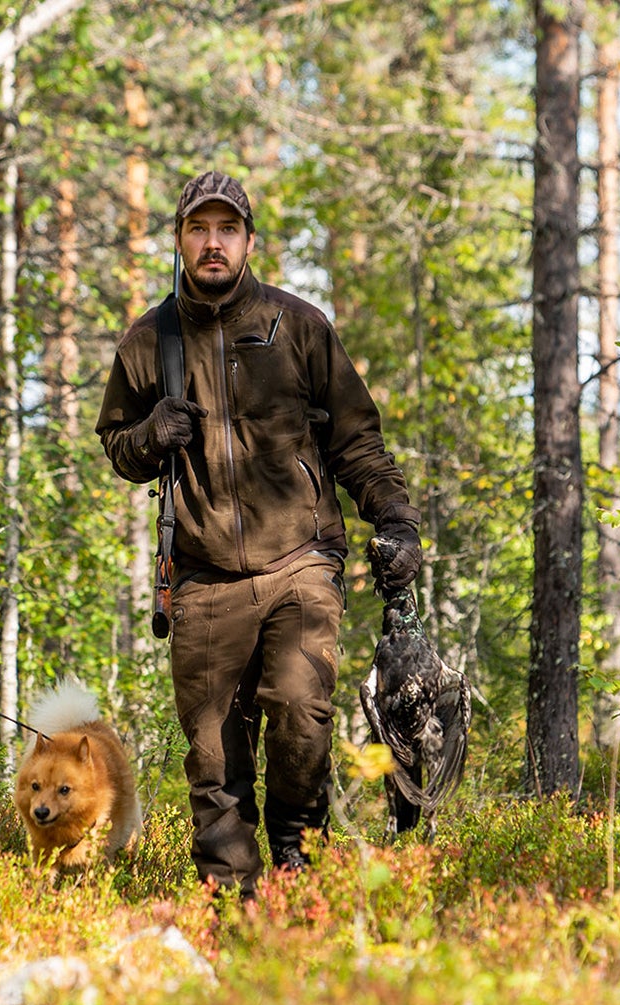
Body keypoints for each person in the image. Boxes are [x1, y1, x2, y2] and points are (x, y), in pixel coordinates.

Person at [97, 171, 422, 896]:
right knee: (215, 760)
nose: (213, 243)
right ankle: (234, 907)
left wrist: (396, 522)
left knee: (302, 716)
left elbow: (357, 441)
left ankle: (296, 870)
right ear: (180, 239)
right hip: (203, 574)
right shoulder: (150, 341)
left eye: (228, 230)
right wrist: (150, 435)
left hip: (300, 562)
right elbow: (117, 445)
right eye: (199, 229)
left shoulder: (298, 326)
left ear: (249, 240)